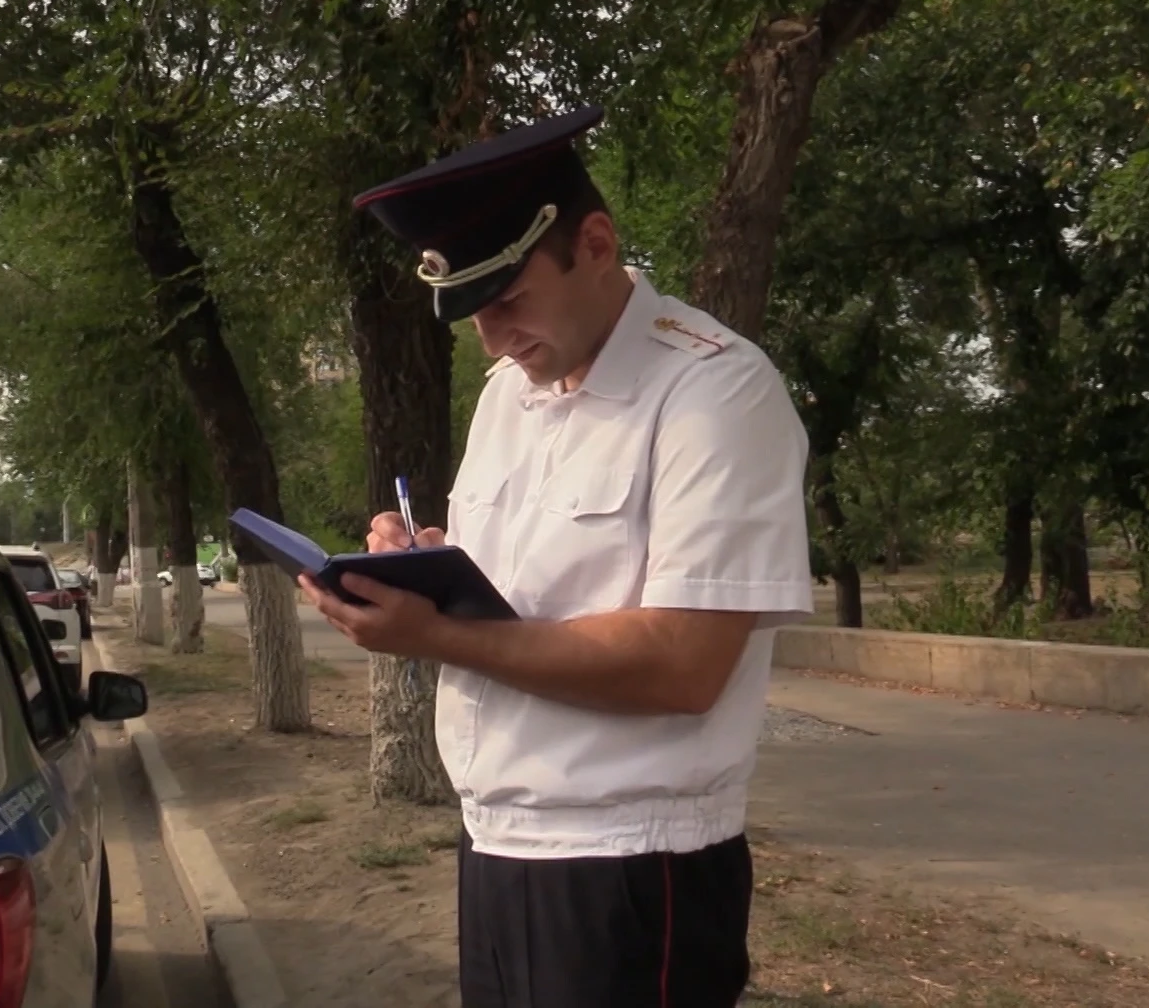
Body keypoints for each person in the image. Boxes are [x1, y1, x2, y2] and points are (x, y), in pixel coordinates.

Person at [297, 105, 814, 1008]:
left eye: (506, 299)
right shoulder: (510, 395)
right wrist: (426, 566)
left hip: (632, 868)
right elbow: (525, 588)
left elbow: (684, 664)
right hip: (496, 843)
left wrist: (432, 635)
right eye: (467, 313)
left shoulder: (715, 392)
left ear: (597, 244)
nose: (492, 338)